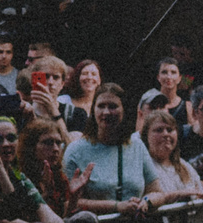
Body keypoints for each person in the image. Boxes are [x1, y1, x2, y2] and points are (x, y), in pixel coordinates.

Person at [63, 85, 148, 215]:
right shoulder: (75, 150)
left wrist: (146, 201)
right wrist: (116, 207)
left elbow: (156, 190)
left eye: (113, 106)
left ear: (124, 110)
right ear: (93, 110)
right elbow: (66, 202)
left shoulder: (137, 145)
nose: (106, 112)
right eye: (101, 106)